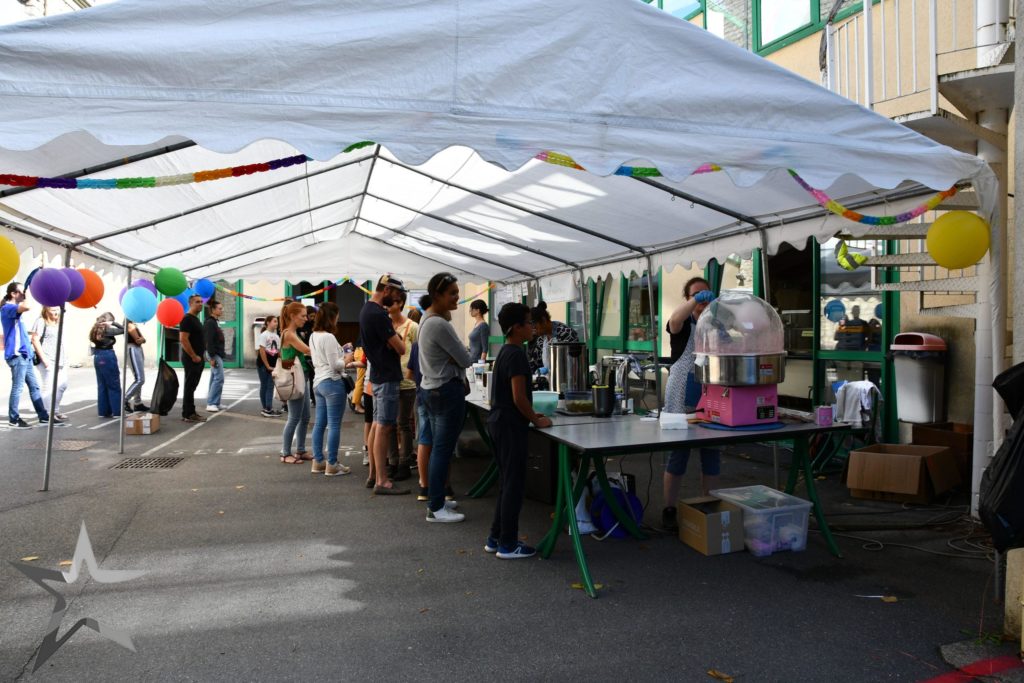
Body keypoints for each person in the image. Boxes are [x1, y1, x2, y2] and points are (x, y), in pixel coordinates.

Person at [485, 302, 552, 558]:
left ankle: (496, 537)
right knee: (514, 485)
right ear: (516, 328)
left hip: (500, 423)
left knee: (506, 483)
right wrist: (536, 419)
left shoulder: (506, 351)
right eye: (528, 322)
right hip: (510, 426)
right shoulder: (516, 354)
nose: (533, 327)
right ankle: (508, 543)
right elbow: (519, 397)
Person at [661, 277, 719, 531]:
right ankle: (669, 508)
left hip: (711, 392)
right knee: (679, 453)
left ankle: (711, 504)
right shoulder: (683, 323)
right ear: (688, 299)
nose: (701, 300)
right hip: (682, 392)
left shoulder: (716, 325)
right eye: (696, 296)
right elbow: (674, 320)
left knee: (712, 451)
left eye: (706, 294)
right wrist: (697, 299)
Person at [419, 272, 475, 522]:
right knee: (442, 450)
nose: (457, 298)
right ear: (437, 295)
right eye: (452, 293)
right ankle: (436, 507)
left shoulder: (427, 319)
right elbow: (466, 358)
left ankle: (438, 500)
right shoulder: (439, 324)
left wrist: (455, 357)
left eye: (457, 293)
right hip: (445, 390)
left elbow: (458, 357)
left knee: (437, 449)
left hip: (431, 389)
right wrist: (456, 357)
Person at [358, 274, 410, 495]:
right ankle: (382, 480)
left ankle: (374, 476)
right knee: (384, 427)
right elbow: (401, 348)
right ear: (387, 290)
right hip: (387, 376)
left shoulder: (366, 310)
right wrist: (395, 339)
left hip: (377, 375)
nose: (397, 300)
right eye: (397, 295)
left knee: (378, 425)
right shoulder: (379, 315)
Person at [308, 302, 354, 476]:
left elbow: (324, 358)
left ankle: (318, 461)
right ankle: (332, 464)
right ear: (332, 317)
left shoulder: (314, 336)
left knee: (320, 424)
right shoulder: (328, 337)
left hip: (318, 383)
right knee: (334, 425)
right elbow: (336, 365)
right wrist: (348, 358)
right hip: (332, 382)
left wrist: (341, 351)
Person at [3, 282, 51, 428]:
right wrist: (28, 294)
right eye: (21, 292)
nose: (23, 295)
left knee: (34, 386)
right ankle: (14, 419)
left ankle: (43, 416)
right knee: (18, 387)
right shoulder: (8, 308)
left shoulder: (12, 309)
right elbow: (27, 306)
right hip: (17, 355)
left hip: (25, 355)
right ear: (13, 294)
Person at [386, 289, 418, 482]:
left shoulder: (412, 326)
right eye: (388, 302)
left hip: (406, 381)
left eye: (394, 302)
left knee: (403, 423)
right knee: (389, 424)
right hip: (388, 379)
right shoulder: (385, 325)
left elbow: (417, 352)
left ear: (401, 304)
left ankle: (405, 462)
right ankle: (392, 461)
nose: (389, 305)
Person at [279, 301, 312, 464]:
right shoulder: (289, 334)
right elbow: (307, 350)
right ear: (292, 316)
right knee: (294, 417)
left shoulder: (292, 332)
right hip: (295, 379)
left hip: (300, 377)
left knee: (305, 416)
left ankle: (300, 450)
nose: (306, 319)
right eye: (303, 316)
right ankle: (285, 453)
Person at [31, 306, 69, 422]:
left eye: (57, 310)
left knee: (62, 385)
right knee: (49, 388)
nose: (56, 312)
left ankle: (55, 411)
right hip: (47, 360)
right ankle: (47, 414)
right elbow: (34, 340)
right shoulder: (41, 321)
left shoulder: (57, 321)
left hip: (60, 359)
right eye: (53, 310)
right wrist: (45, 360)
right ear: (46, 309)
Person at [526, 300, 579, 376]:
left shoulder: (565, 333)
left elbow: (573, 363)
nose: (534, 331)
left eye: (535, 327)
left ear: (544, 320)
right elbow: (535, 362)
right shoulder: (540, 339)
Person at [178, 293, 207, 423]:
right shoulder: (187, 319)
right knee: (190, 386)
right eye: (197, 302)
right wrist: (193, 356)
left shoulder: (195, 318)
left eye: (201, 301)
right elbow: (183, 339)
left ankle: (190, 411)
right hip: (192, 359)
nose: (200, 303)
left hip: (199, 358)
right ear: (190, 304)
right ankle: (188, 413)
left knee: (192, 386)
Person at [89, 312, 124, 419]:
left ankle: (103, 411)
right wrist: (114, 323)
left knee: (102, 385)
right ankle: (117, 411)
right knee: (114, 385)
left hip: (98, 356)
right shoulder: (108, 330)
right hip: (108, 356)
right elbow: (124, 330)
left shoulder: (94, 329)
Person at [256, 315, 282, 417]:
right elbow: (262, 351)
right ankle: (266, 408)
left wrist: (280, 364)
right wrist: (267, 365)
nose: (277, 323)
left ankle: (268, 407)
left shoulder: (276, 336)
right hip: (263, 365)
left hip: (273, 364)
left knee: (270, 386)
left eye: (277, 321)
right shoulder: (264, 335)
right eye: (274, 321)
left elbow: (278, 352)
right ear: (268, 323)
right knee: (265, 385)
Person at [123, 319, 150, 413]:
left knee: (139, 378)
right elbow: (139, 340)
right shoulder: (129, 324)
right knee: (140, 379)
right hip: (133, 349)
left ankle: (138, 403)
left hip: (137, 349)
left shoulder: (133, 325)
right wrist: (141, 339)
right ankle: (124, 400)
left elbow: (143, 339)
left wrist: (142, 339)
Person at [204, 299, 226, 413]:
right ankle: (211, 403)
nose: (221, 310)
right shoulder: (210, 323)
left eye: (221, 308)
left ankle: (215, 402)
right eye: (219, 309)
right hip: (214, 354)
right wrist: (211, 357)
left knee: (214, 378)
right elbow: (209, 341)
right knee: (219, 378)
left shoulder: (215, 322)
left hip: (217, 353)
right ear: (213, 310)